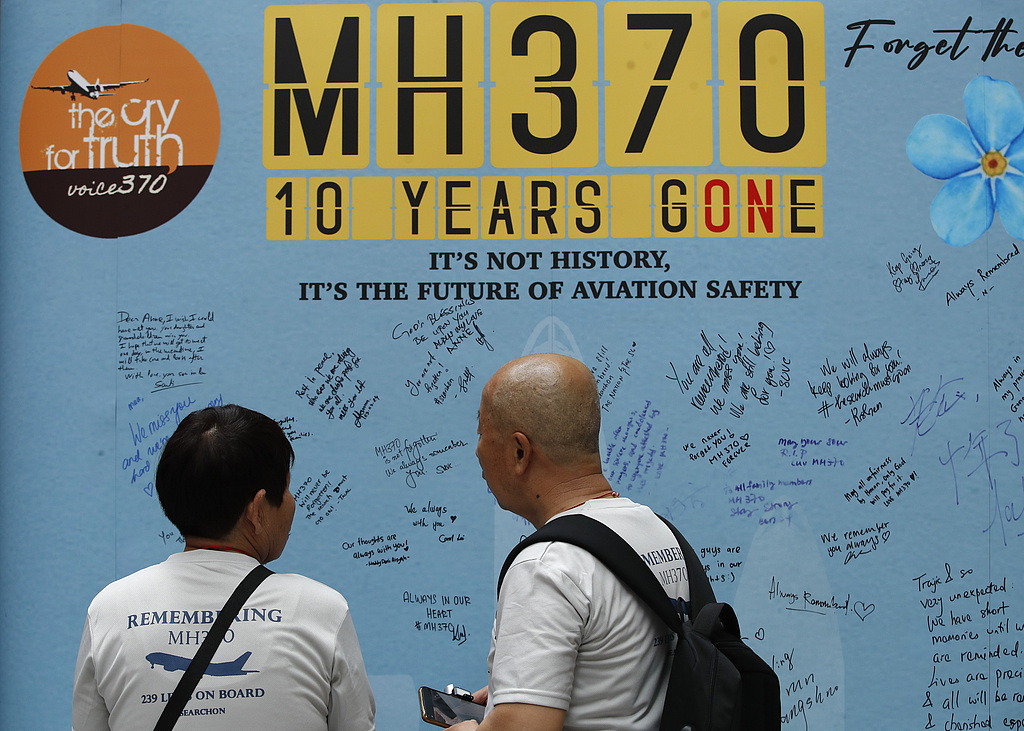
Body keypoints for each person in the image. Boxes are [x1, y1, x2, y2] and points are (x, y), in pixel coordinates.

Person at [72, 404, 376, 731]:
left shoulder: (109, 612)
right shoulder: (321, 612)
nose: (292, 503)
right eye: (287, 488)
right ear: (257, 510)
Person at [451, 354, 690, 731]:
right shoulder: (658, 532)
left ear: (519, 452)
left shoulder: (547, 566)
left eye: (482, 433)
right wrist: (521, 690)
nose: (477, 450)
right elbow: (621, 672)